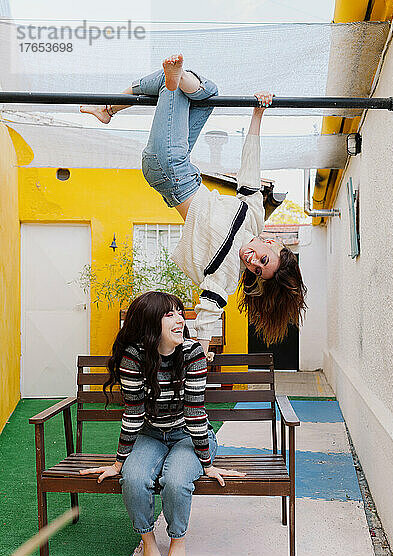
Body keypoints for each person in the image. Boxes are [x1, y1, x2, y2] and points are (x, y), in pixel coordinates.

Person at [80, 55, 307, 357]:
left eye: (256, 270)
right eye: (263, 260)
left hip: (169, 169)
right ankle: (109, 108)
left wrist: (199, 352)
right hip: (183, 165)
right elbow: (250, 166)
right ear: (271, 243)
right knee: (206, 94)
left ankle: (138, 94)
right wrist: (257, 113)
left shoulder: (226, 273)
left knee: (173, 84)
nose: (253, 262)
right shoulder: (253, 216)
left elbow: (208, 315)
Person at [79, 291, 245, 556]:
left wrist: (206, 464)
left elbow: (195, 412)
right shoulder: (133, 358)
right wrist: (119, 463)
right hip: (150, 433)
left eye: (180, 312)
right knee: (133, 477)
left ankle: (178, 542)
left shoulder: (192, 353)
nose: (181, 319)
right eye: (170, 314)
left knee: (177, 480)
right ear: (149, 323)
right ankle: (148, 541)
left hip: (188, 436)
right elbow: (133, 414)